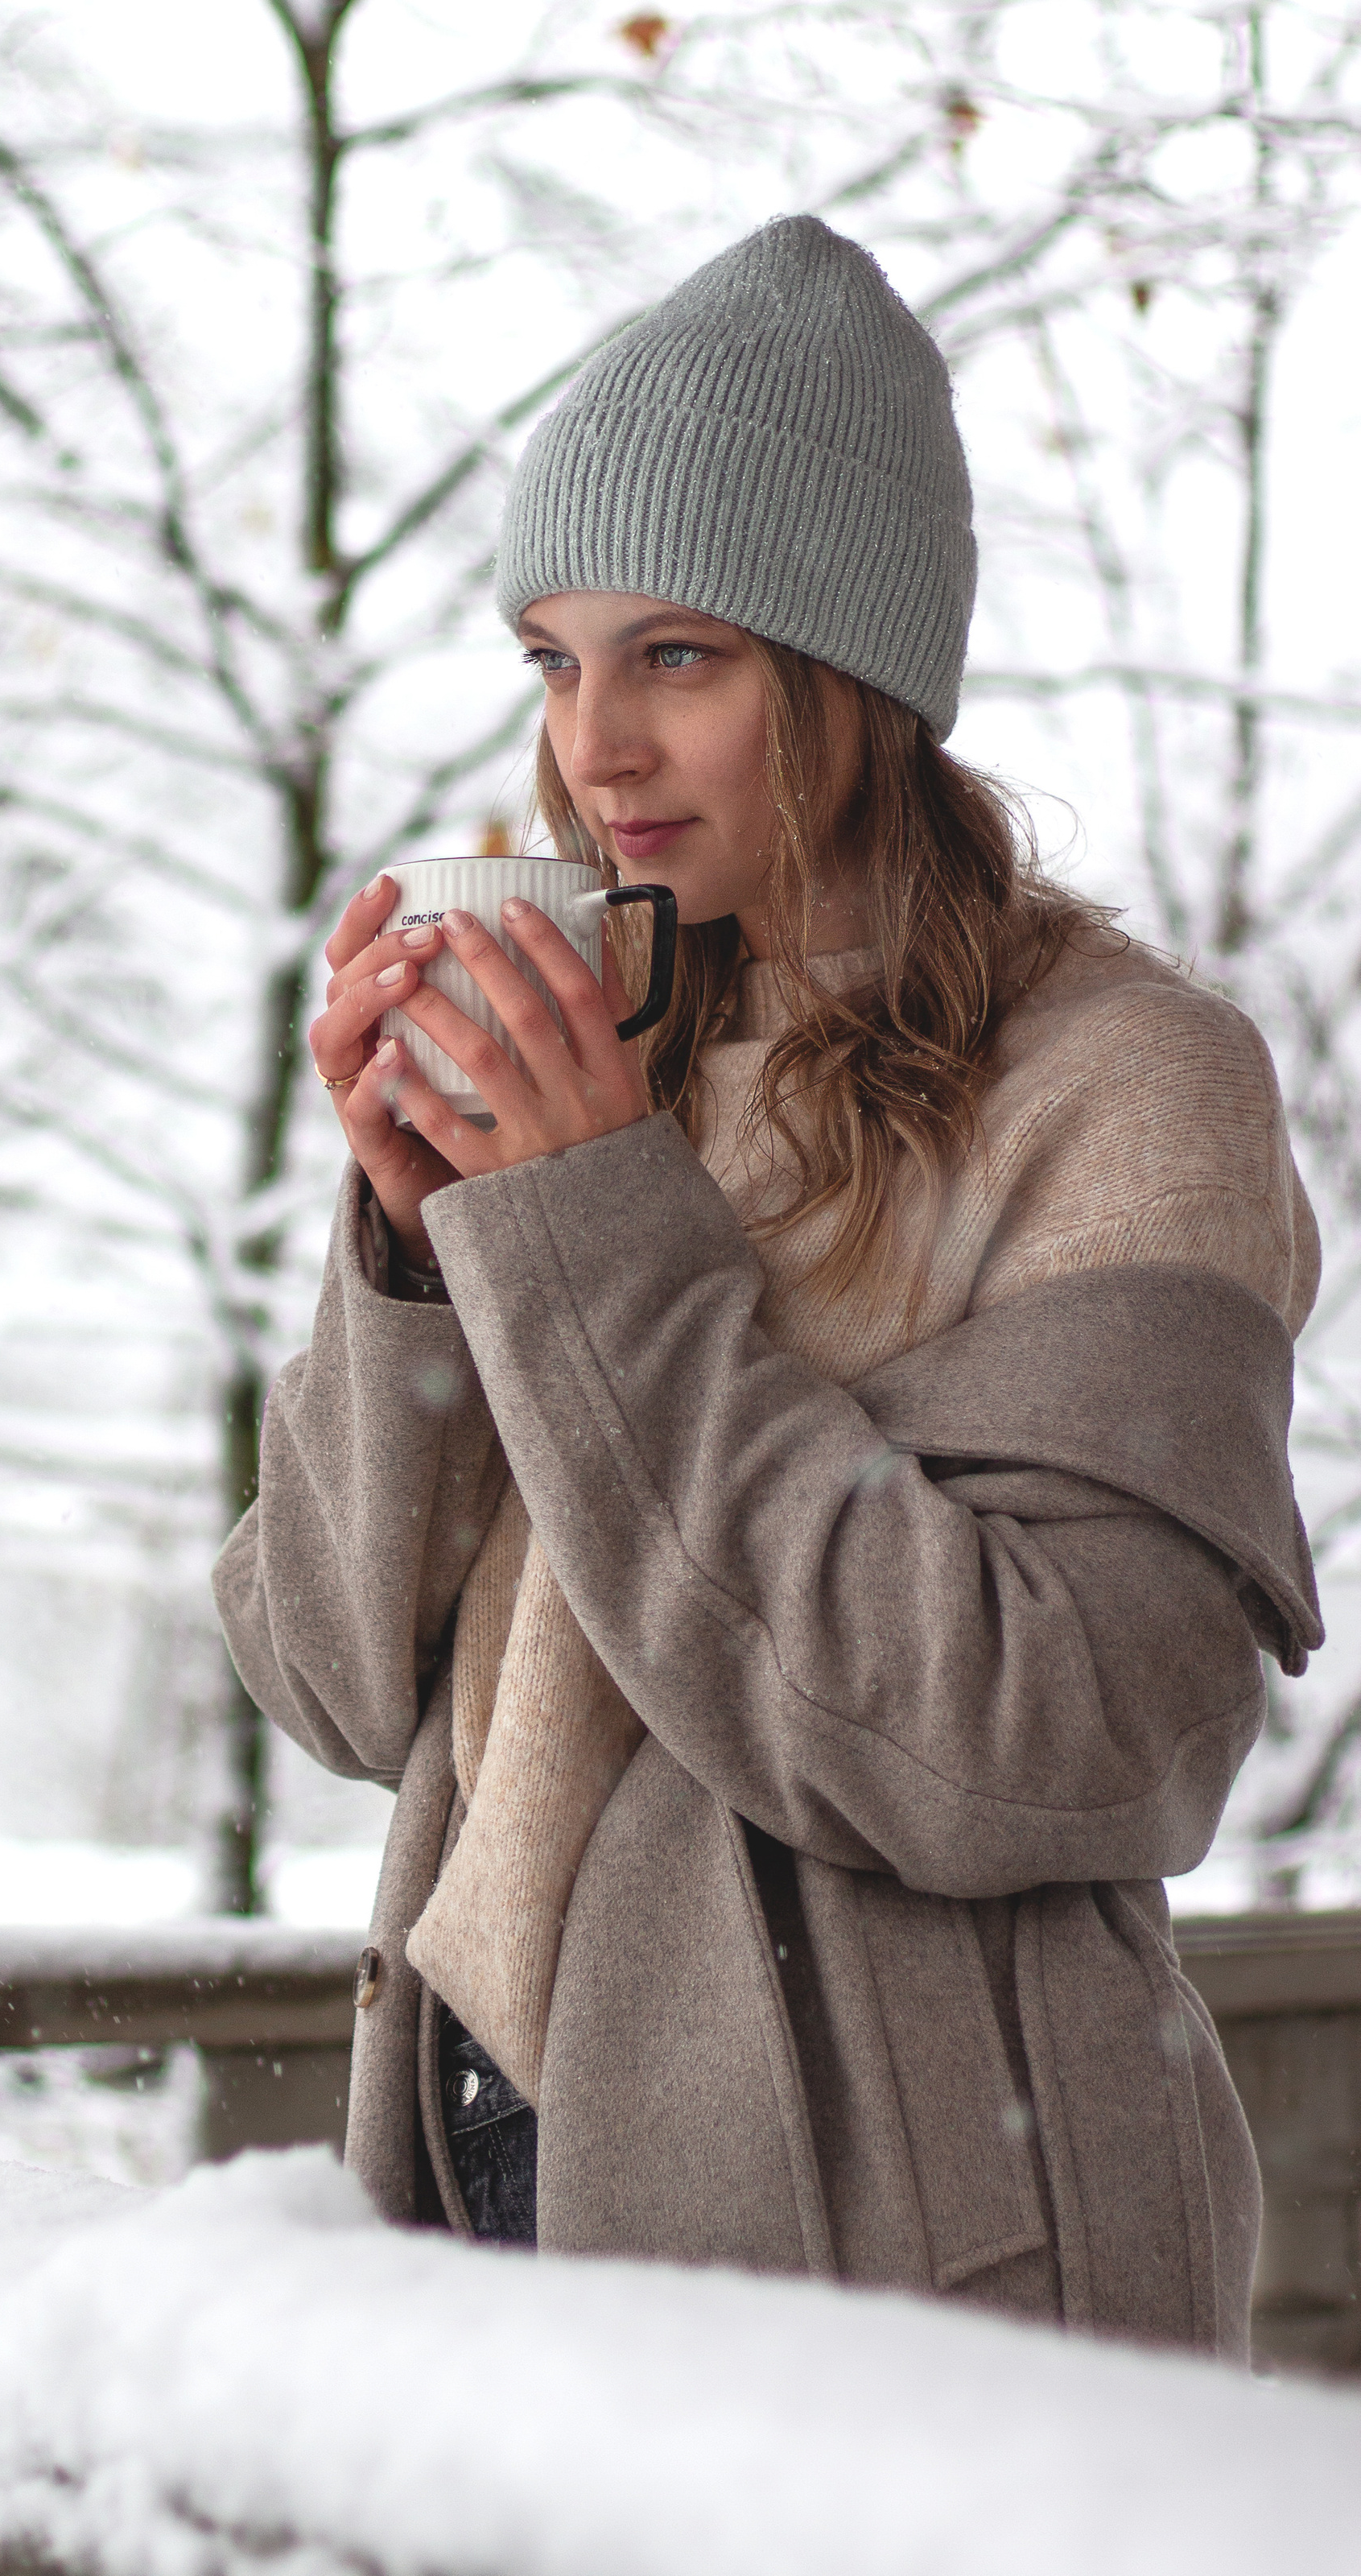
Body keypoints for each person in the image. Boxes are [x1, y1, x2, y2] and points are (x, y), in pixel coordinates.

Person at [212, 215, 1320, 2358]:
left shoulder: (1124, 1086)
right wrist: (415, 1251)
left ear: (856, 674)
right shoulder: (620, 1058)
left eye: (680, 657)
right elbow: (333, 1678)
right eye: (553, 659)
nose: (594, 749)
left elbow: (1054, 1737)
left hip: (914, 2255)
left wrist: (589, 1218)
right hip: (487, 2158)